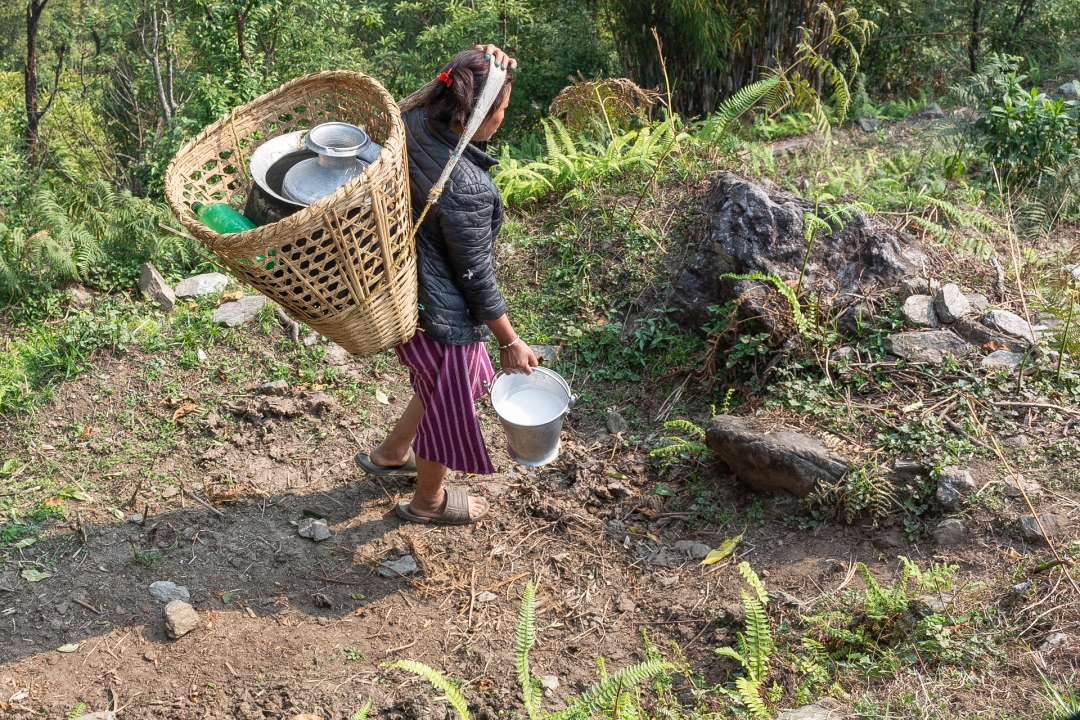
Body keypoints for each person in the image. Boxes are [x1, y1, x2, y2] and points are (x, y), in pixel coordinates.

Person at [353, 44, 538, 525]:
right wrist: (511, 342)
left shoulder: (412, 124)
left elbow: (425, 93)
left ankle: (392, 453)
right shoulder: (467, 186)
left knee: (440, 384)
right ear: (479, 113)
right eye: (501, 110)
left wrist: (483, 60)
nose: (502, 120)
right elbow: (476, 277)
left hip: (401, 292)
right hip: (441, 314)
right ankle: (428, 502)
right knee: (448, 401)